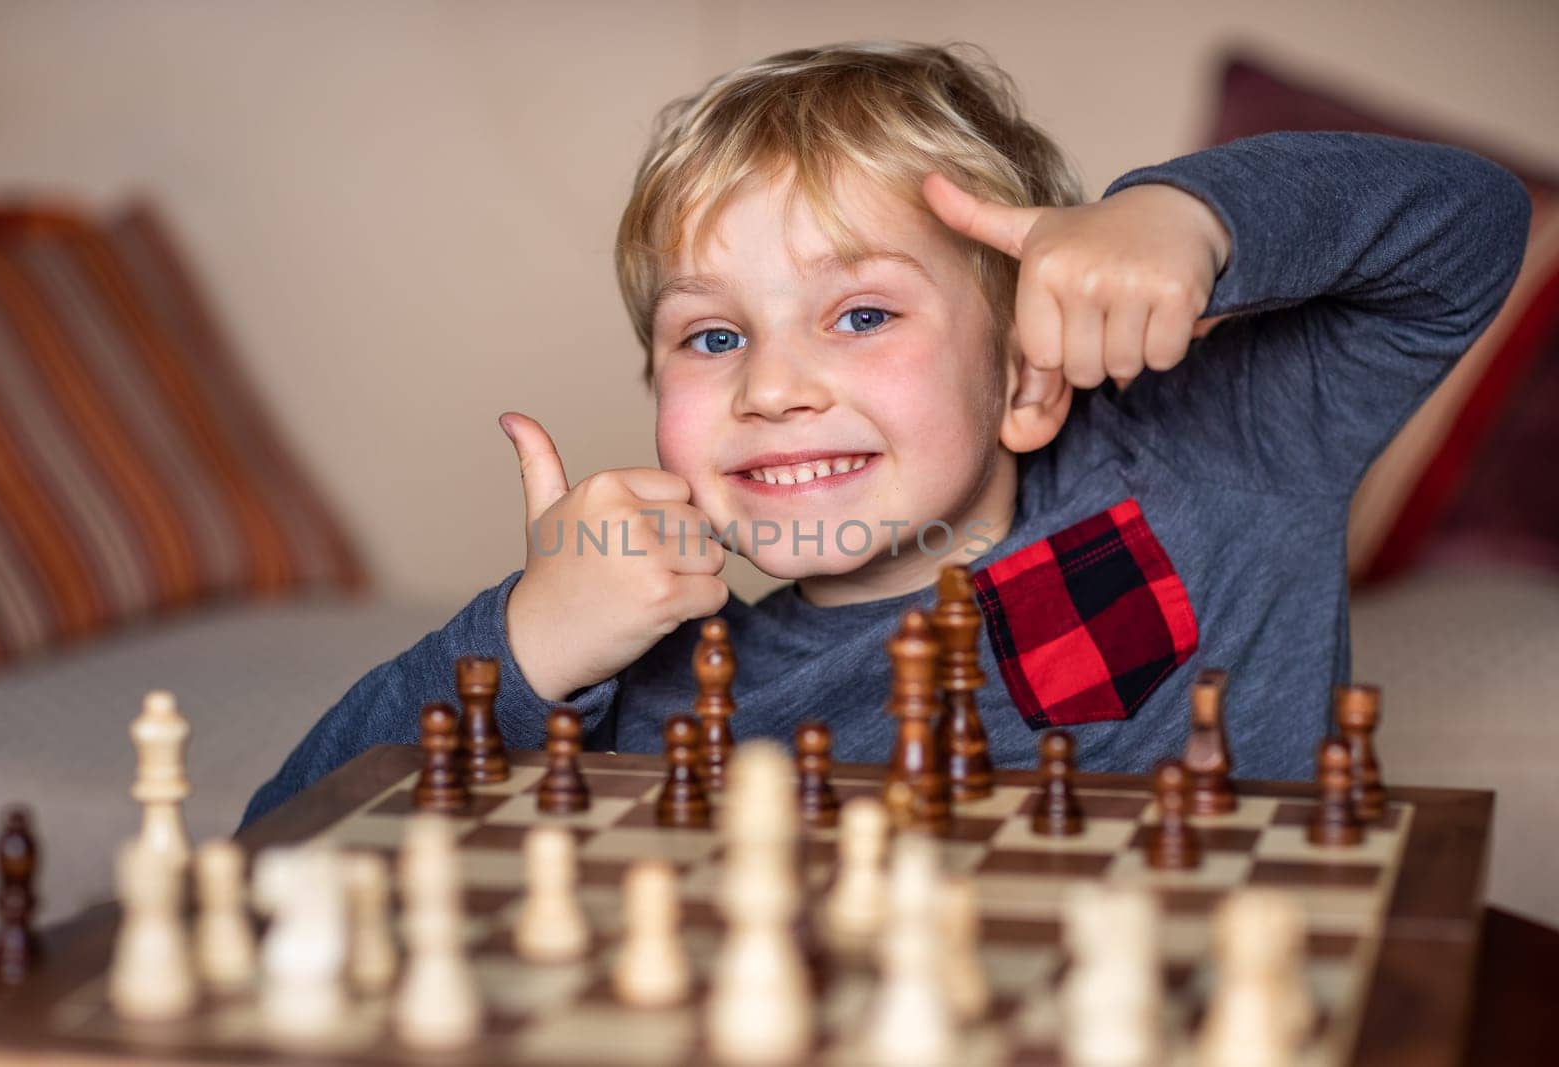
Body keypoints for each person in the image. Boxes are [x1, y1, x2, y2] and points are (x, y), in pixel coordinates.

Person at [242, 40, 1529, 826]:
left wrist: (1192, 216)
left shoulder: (1225, 460)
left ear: (1029, 377)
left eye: (859, 312)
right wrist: (526, 641)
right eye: (710, 335)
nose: (774, 384)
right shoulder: (665, 693)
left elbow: (1468, 227)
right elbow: (279, 848)